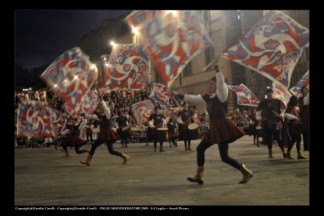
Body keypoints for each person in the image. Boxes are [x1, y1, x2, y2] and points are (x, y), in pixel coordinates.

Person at [172, 63, 252, 184]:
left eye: (212, 84)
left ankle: (245, 172)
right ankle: (200, 176)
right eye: (209, 84)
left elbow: (221, 84)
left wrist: (218, 71)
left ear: (217, 85)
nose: (209, 86)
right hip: (215, 127)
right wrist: (179, 95)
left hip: (222, 126)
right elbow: (194, 99)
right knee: (209, 152)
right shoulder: (208, 97)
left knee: (220, 156)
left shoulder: (222, 95)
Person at [80, 98, 130, 166]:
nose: (99, 107)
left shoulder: (108, 113)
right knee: (107, 149)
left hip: (108, 134)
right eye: (99, 106)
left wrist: (101, 100)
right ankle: (88, 160)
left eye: (100, 106)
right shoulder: (100, 116)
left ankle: (125, 156)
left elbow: (106, 108)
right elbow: (91, 117)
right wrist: (84, 115)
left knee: (110, 150)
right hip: (103, 134)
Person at [256, 87, 286, 158]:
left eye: (270, 93)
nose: (269, 94)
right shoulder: (262, 103)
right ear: (266, 94)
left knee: (279, 138)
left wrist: (281, 115)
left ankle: (283, 151)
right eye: (268, 93)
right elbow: (258, 112)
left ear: (273, 93)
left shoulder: (278, 101)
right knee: (269, 138)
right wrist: (260, 119)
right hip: (266, 123)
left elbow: (283, 111)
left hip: (276, 122)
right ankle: (270, 153)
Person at [298, 85, 309, 151]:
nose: (306, 89)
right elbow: (301, 107)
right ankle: (306, 147)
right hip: (304, 116)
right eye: (305, 89)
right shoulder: (301, 98)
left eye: (307, 89)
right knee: (305, 131)